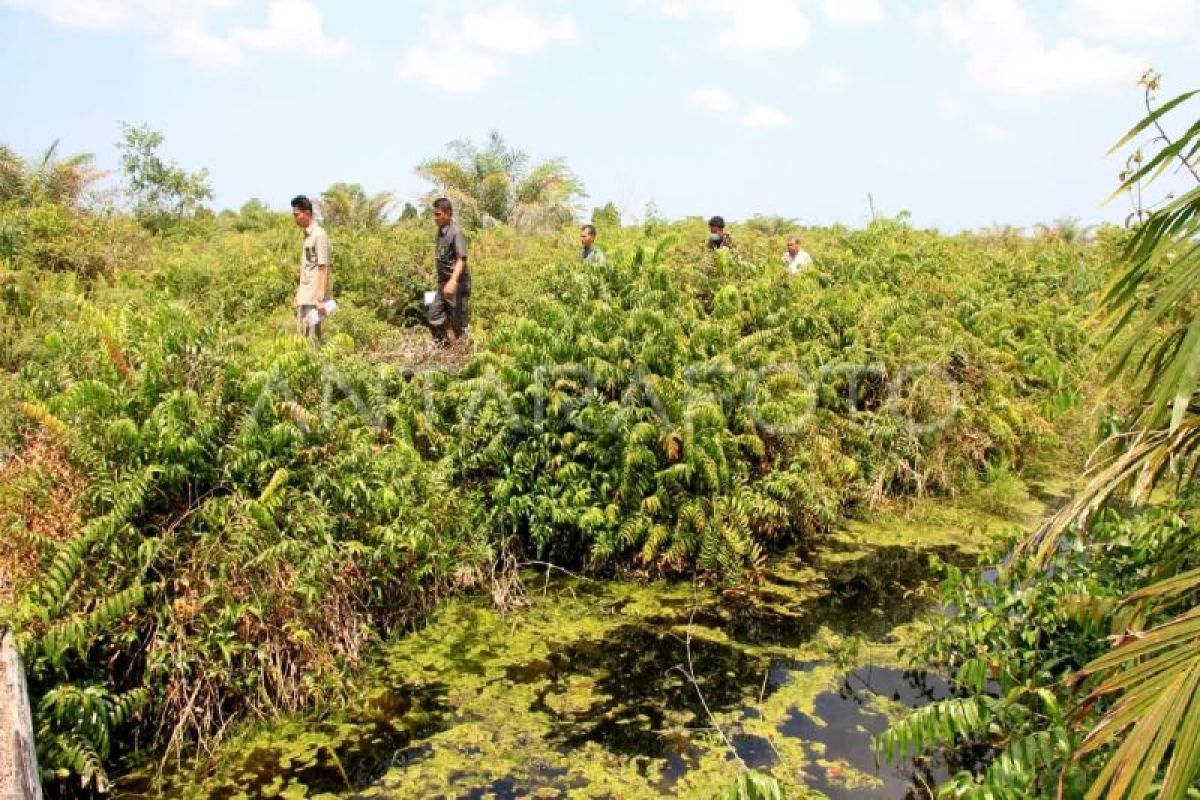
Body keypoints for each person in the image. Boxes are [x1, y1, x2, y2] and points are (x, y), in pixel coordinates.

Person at [429, 197, 470, 344]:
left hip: (457, 284)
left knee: (460, 322)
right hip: (443, 284)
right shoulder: (440, 232)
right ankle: (447, 347)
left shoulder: (456, 232)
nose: (435, 218)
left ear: (448, 213)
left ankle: (464, 353)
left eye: (438, 214)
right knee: (434, 316)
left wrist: (453, 281)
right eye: (434, 214)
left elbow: (462, 259)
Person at [291, 195, 331, 344]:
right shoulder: (307, 236)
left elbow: (323, 266)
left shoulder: (319, 235)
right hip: (306, 296)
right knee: (304, 336)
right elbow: (307, 268)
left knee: (314, 339)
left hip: (314, 299)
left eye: (297, 215)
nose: (295, 219)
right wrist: (299, 295)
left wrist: (320, 299)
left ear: (307, 213)